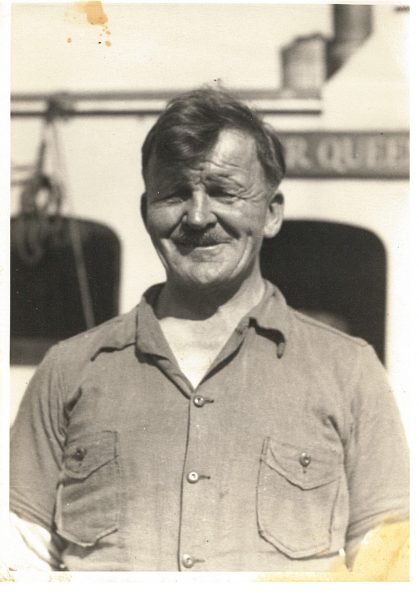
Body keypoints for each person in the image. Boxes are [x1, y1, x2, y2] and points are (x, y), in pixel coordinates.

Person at [7, 88, 409, 573]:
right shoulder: (66, 370)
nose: (198, 217)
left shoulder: (351, 372)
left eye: (224, 191)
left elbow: (387, 571)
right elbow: (17, 566)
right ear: (145, 212)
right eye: (175, 193)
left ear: (272, 212)